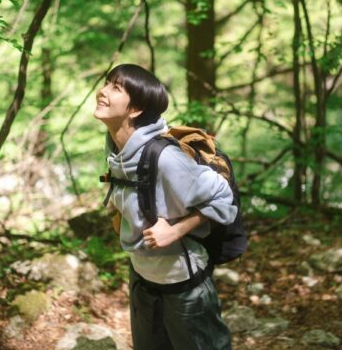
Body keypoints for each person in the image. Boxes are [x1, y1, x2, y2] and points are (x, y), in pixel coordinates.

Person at [94, 63, 236, 350]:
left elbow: (224, 198)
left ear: (135, 110)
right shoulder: (116, 151)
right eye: (107, 83)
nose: (103, 91)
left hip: (185, 288)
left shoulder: (168, 158)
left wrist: (176, 230)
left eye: (116, 88)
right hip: (143, 280)